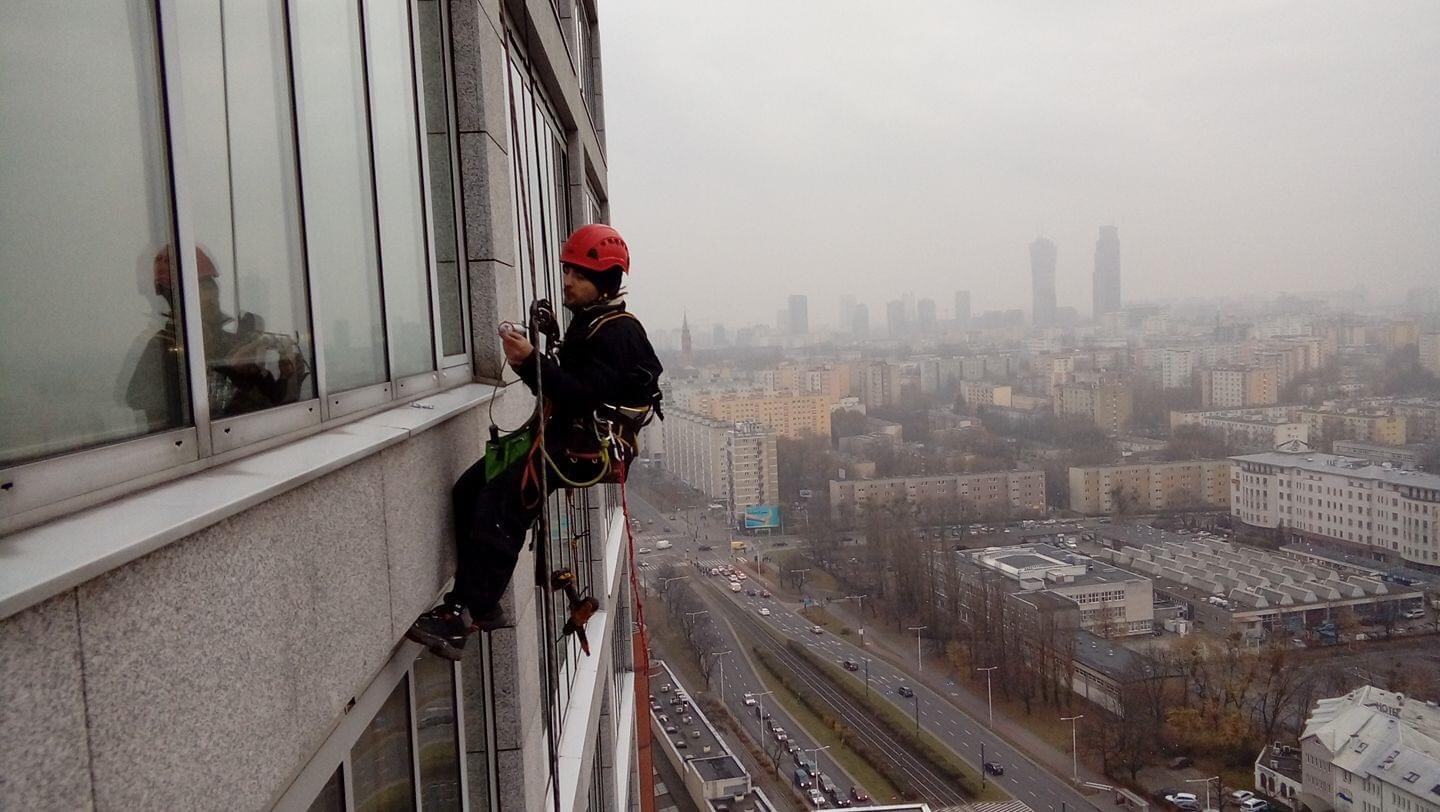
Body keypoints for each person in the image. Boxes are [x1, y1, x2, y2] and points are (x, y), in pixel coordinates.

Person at [407, 224, 663, 661]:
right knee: (471, 488)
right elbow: (574, 382)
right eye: (566, 270)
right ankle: (479, 596)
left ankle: (463, 615)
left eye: (577, 274)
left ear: (603, 283)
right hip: (568, 435)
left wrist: (531, 362)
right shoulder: (593, 323)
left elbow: (581, 393)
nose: (566, 280)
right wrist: (545, 350)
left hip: (588, 448)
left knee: (504, 499)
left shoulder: (618, 333)